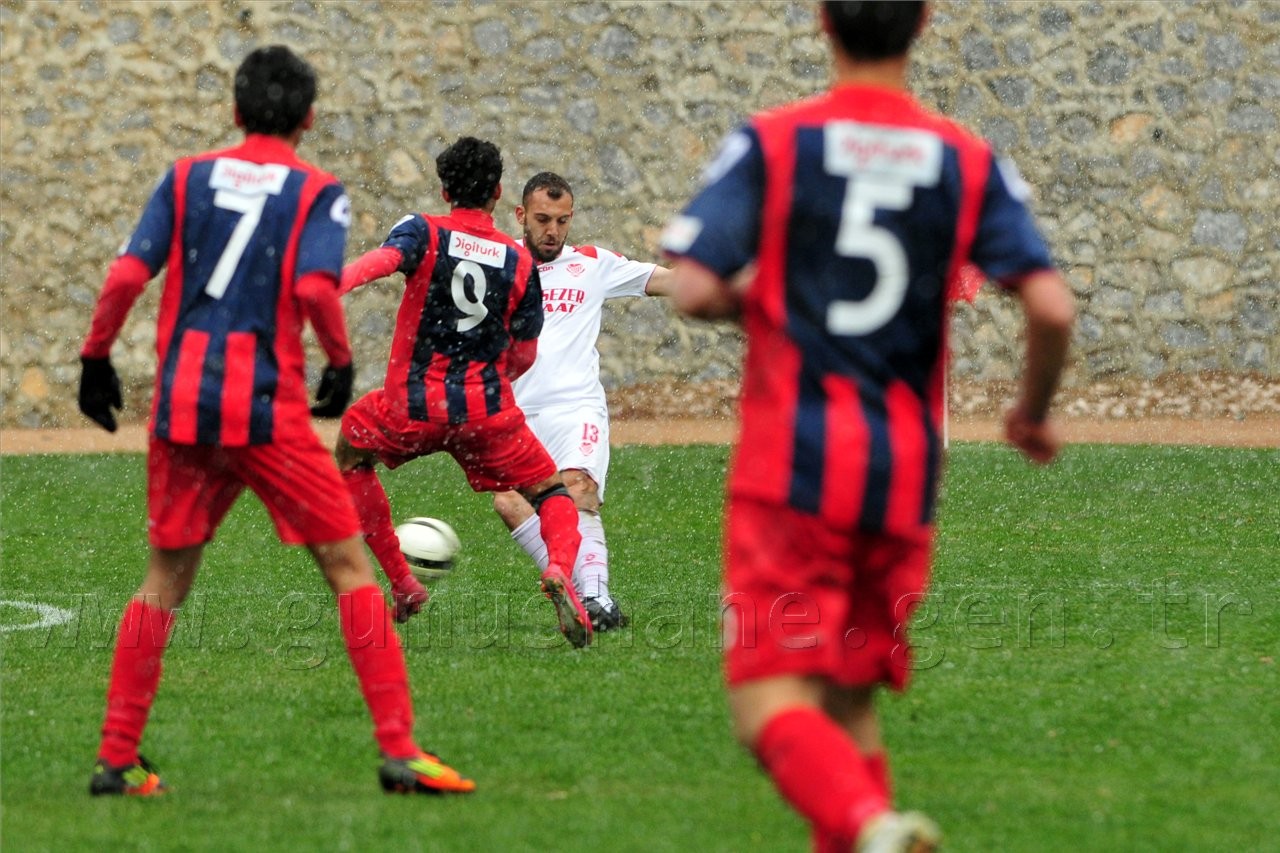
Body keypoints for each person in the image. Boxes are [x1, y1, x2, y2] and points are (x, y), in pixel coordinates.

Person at [661, 3, 1075, 851]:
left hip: (796, 463)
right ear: (923, 23)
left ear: (823, 21)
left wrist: (769, 309)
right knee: (850, 700)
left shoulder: (777, 142)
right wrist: (1031, 414)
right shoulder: (965, 158)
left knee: (769, 706)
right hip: (903, 472)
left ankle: (869, 822)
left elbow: (695, 287)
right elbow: (1051, 305)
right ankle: (870, 821)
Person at [78, 46, 475, 797]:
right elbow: (316, 286)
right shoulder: (316, 190)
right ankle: (400, 752)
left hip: (183, 408)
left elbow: (129, 272)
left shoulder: (187, 176)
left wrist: (95, 357)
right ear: (309, 117)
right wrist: (337, 359)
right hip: (263, 410)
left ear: (234, 111)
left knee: (163, 580)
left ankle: (117, 758)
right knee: (350, 569)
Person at [334, 138, 593, 649]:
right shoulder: (519, 262)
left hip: (411, 407)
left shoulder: (423, 231)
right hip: (488, 411)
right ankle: (562, 572)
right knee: (550, 492)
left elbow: (384, 261)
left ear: (444, 190)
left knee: (350, 453)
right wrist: (486, 377)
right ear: (498, 193)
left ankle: (403, 583)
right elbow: (524, 356)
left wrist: (330, 286)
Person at [490, 172, 674, 632]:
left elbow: (664, 280)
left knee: (578, 488)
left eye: (562, 220)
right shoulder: (497, 263)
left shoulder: (593, 264)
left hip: (575, 409)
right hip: (516, 414)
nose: (553, 230)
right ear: (520, 217)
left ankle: (597, 599)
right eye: (542, 219)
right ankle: (573, 590)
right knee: (510, 503)